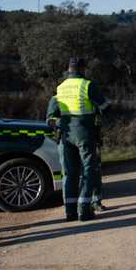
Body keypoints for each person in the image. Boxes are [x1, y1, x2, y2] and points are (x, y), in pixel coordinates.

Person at [46, 57, 110, 221]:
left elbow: (49, 119)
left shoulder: (60, 88)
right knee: (89, 170)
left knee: (69, 173)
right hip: (84, 133)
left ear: (68, 70)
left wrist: (62, 123)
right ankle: (84, 210)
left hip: (65, 135)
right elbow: (105, 107)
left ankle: (70, 212)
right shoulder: (87, 85)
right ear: (82, 69)